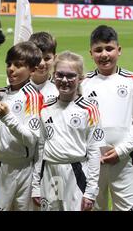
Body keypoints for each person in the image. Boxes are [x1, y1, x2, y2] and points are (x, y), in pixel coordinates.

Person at [32, 51, 104, 211]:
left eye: (71, 76)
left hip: (76, 173)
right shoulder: (45, 107)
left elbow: (94, 151)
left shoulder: (89, 109)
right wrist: (36, 184)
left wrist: (91, 191)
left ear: (81, 78)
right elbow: (40, 147)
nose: (64, 80)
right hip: (51, 173)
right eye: (60, 75)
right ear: (53, 75)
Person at [0, 41, 43, 211]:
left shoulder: (33, 97)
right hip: (0, 166)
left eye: (18, 65)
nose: (11, 69)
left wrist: (8, 117)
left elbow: (31, 139)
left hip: (24, 169)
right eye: (9, 64)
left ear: (32, 70)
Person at [81, 25, 133, 211]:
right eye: (98, 50)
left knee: (126, 208)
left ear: (118, 50)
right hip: (92, 162)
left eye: (109, 48)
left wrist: (121, 150)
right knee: (93, 206)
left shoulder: (130, 81)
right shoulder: (83, 84)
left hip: (124, 159)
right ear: (91, 53)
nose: (104, 54)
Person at [28, 32, 59, 101]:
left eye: (47, 58)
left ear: (55, 58)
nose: (41, 63)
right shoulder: (18, 86)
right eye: (37, 58)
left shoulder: (60, 90)